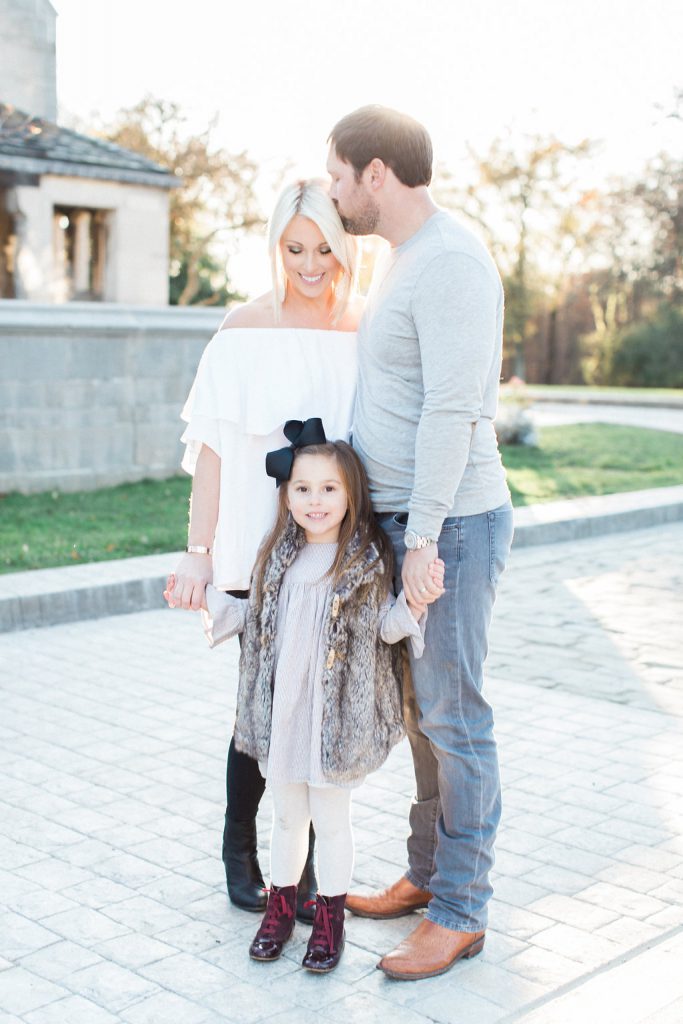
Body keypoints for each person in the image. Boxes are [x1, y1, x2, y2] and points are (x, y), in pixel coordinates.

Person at [326, 106, 514, 980]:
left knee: (455, 717)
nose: (332, 193)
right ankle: (428, 877)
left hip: (452, 526)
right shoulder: (407, 259)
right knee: (422, 718)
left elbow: (453, 410)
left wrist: (424, 540)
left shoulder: (451, 261)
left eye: (336, 175)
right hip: (408, 524)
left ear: (375, 172)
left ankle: (462, 912)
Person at [165, 180, 361, 922]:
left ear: (342, 249)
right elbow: (212, 451)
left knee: (317, 709)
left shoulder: (362, 329)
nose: (309, 264)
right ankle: (238, 847)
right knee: (261, 709)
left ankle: (303, 860)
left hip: (330, 554)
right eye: (293, 248)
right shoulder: (241, 328)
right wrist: (197, 551)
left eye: (322, 248)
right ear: (275, 246)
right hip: (255, 547)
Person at [198, 427, 445, 971]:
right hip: (284, 716)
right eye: (303, 489)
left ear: (351, 494)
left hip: (334, 722)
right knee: (286, 818)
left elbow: (385, 628)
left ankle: (329, 918)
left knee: (331, 821)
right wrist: (209, 601)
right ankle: (279, 910)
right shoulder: (275, 557)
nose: (315, 501)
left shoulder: (364, 563)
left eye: (328, 489)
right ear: (286, 495)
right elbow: (257, 620)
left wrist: (415, 605)